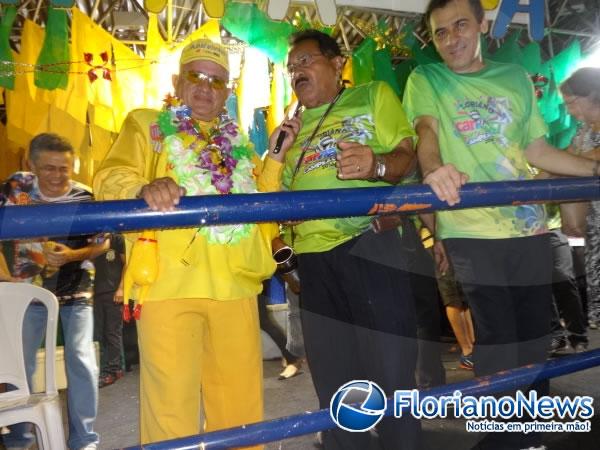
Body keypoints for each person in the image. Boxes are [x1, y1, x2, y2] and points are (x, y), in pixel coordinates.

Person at [403, 1, 600, 449]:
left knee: (534, 337)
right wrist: (433, 170)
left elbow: (535, 149)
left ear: (481, 25)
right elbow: (426, 133)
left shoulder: (513, 76)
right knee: (496, 341)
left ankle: (531, 437)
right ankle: (497, 441)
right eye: (439, 33)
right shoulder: (427, 78)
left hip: (529, 226)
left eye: (460, 26)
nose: (451, 39)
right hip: (471, 227)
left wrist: (591, 170)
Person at [93, 39, 279, 447]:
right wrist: (145, 186)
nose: (205, 87)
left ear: (227, 92)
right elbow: (108, 178)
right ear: (178, 81)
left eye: (216, 81)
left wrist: (277, 155)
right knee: (169, 412)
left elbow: (265, 204)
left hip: (236, 287)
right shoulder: (147, 124)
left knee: (241, 412)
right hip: (167, 286)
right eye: (195, 76)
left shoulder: (241, 144)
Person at [265, 29, 420, 450]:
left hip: (369, 247)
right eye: (291, 66)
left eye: (305, 61)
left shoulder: (371, 95)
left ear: (336, 64)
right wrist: (284, 257)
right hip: (313, 265)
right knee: (334, 383)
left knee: (391, 373)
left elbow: (406, 155)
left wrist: (377, 165)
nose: (297, 71)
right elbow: (269, 199)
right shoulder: (287, 129)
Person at [1, 133, 105, 450]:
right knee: (20, 364)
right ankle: (19, 437)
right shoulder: (14, 189)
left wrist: (72, 255)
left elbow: (103, 243)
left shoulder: (85, 197)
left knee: (82, 360)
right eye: (49, 168)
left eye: (65, 168)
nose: (58, 176)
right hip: (27, 288)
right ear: (30, 164)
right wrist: (5, 278)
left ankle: (84, 440)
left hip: (77, 286)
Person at [559, 67, 600, 329]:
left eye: (572, 103)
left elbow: (590, 158)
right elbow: (562, 158)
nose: (570, 111)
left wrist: (558, 164)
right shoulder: (582, 132)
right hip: (595, 232)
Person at [93, 233, 126, 388]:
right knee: (99, 334)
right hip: (96, 292)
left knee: (112, 332)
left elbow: (127, 264)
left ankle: (114, 370)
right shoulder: (92, 239)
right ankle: (103, 370)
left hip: (114, 292)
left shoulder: (117, 238)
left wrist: (121, 288)